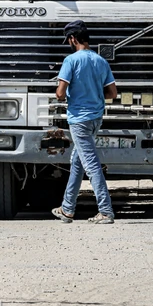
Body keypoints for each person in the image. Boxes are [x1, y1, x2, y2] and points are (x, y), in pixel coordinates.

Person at [52, 20, 118, 224]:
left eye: (69, 40)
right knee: (77, 162)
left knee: (90, 164)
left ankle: (106, 211)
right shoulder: (101, 61)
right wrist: (93, 93)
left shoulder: (71, 61)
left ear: (73, 39)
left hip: (79, 119)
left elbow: (61, 94)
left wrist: (62, 92)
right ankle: (67, 208)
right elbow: (112, 93)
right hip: (96, 118)